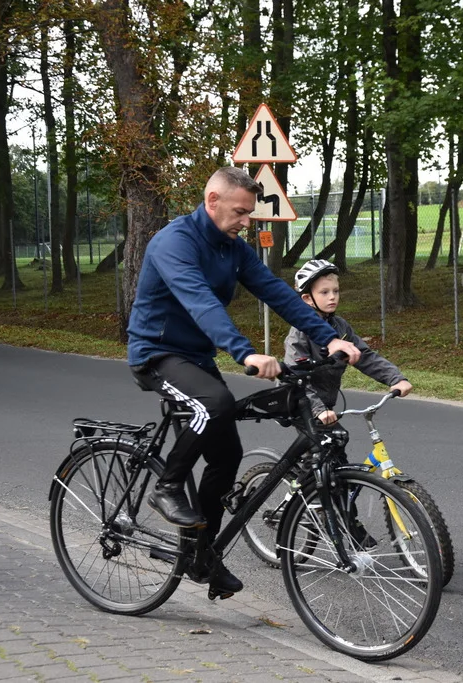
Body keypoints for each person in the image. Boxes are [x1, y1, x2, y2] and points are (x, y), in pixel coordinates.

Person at [126, 168, 361, 596]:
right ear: (212, 200)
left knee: (227, 451)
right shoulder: (173, 242)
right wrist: (244, 351)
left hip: (194, 357)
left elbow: (278, 293)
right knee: (214, 404)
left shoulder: (232, 248)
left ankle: (201, 557)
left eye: (250, 213)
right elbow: (197, 299)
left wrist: (330, 338)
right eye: (240, 212)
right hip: (156, 353)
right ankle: (167, 486)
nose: (246, 221)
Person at [285, 259, 412, 425]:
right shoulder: (300, 332)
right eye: (324, 292)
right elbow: (295, 377)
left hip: (327, 405)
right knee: (329, 442)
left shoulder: (340, 326)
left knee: (337, 442)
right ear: (308, 298)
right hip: (302, 404)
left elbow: (364, 356)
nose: (332, 297)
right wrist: (318, 410)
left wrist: (395, 379)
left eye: (336, 291)